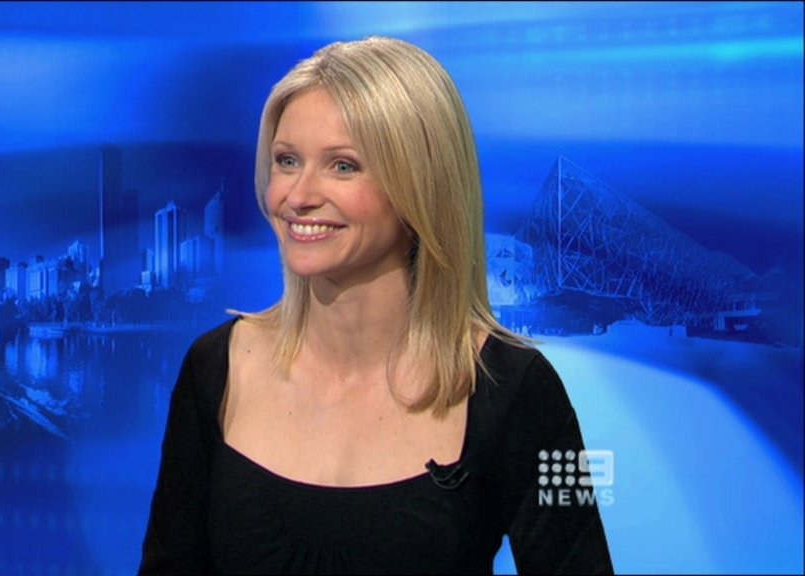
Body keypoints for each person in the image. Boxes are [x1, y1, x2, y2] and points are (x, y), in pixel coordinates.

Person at [139, 36, 613, 575]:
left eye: (343, 166)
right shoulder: (214, 369)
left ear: (421, 187)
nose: (299, 195)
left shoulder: (518, 388)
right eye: (287, 160)